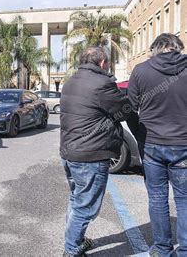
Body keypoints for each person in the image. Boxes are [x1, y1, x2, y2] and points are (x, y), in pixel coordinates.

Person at [60, 47, 132, 257]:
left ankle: (75, 240)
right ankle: (72, 249)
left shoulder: (70, 81)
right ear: (102, 63)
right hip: (90, 155)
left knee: (76, 200)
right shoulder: (102, 83)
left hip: (70, 152)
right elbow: (123, 110)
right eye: (107, 64)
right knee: (86, 207)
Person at [128, 33, 187, 257]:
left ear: (155, 49)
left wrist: (140, 135)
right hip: (183, 143)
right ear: (177, 48)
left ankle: (162, 249)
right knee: (184, 199)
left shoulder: (141, 71)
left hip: (152, 143)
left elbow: (130, 109)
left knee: (157, 198)